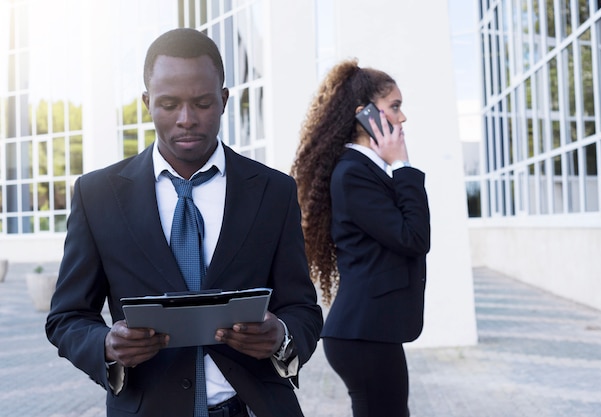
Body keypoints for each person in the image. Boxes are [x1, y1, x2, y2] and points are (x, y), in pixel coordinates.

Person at [46, 28, 323, 417]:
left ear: (224, 100)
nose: (186, 119)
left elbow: (303, 309)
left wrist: (281, 335)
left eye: (202, 103)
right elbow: (67, 317)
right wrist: (107, 345)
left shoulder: (274, 192)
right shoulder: (97, 195)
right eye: (169, 104)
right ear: (146, 102)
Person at [291, 59, 430, 417]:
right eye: (394, 107)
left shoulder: (366, 170)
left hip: (371, 332)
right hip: (363, 334)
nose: (402, 118)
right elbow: (414, 237)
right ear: (365, 115)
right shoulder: (353, 173)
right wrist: (403, 165)